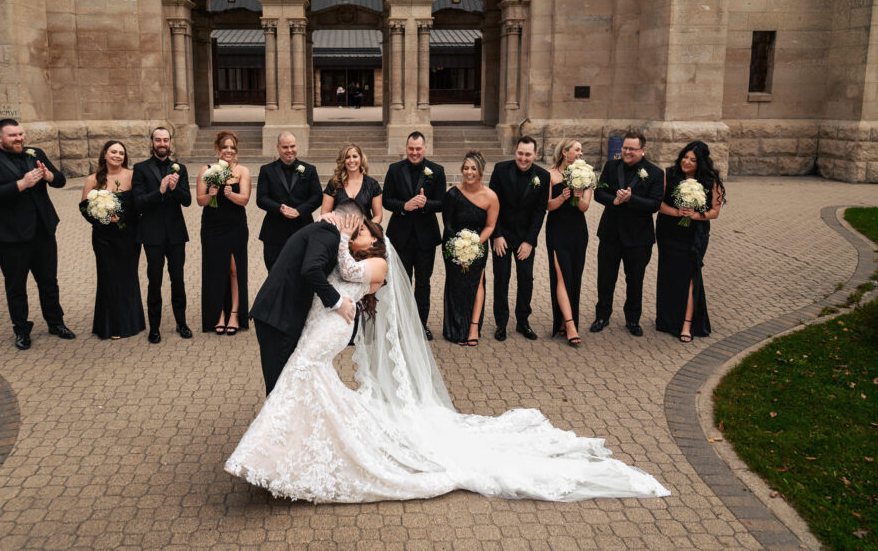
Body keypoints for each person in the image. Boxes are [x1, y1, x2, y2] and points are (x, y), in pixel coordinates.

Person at [225, 210, 671, 503]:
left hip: (334, 324)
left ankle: (278, 452)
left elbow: (346, 271)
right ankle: (297, 447)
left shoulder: (377, 266)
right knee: (309, 379)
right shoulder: (355, 248)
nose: (357, 236)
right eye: (357, 232)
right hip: (324, 321)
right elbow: (338, 267)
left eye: (364, 233)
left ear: (376, 243)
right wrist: (340, 229)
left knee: (305, 372)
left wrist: (339, 230)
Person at [0, 118, 74, 351]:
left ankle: (55, 323)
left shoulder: (34, 153)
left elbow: (60, 180)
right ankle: (21, 330)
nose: (19, 139)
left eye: (20, 134)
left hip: (43, 231)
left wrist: (49, 177)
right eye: (12, 136)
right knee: (16, 286)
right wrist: (22, 184)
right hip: (11, 237)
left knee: (49, 282)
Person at [248, 201, 361, 394]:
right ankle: (274, 424)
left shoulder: (322, 229)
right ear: (353, 220)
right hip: (278, 318)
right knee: (279, 388)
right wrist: (338, 303)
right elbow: (311, 269)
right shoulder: (327, 233)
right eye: (361, 225)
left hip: (278, 314)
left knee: (284, 383)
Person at [591, 130, 664, 337]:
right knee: (605, 278)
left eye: (632, 149)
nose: (627, 152)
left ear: (643, 150)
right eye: (625, 148)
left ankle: (633, 319)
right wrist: (613, 200)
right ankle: (602, 316)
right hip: (610, 234)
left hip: (639, 238)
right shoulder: (611, 166)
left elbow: (654, 204)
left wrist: (631, 199)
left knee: (635, 280)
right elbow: (599, 192)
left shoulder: (655, 173)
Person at [655, 141, 726, 342]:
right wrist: (677, 212)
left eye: (692, 160)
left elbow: (715, 212)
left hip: (695, 235)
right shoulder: (669, 174)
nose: (686, 162)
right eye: (685, 157)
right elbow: (658, 203)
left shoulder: (710, 180)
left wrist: (695, 215)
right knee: (669, 275)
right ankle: (667, 320)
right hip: (668, 232)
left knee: (691, 276)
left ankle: (687, 323)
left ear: (701, 162)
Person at [382, 131, 446, 340]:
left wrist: (426, 204)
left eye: (418, 149)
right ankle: (401, 324)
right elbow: (386, 200)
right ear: (406, 148)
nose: (414, 152)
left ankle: (421, 325)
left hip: (425, 238)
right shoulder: (394, 169)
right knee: (401, 282)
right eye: (411, 149)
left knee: (423, 282)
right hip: (400, 236)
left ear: (425, 149)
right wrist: (404, 206)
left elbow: (442, 203)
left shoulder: (437, 171)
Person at [79, 141, 145, 340]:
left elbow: (140, 205)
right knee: (108, 277)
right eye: (114, 152)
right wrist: (103, 218)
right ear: (105, 155)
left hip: (129, 235)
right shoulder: (93, 179)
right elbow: (84, 208)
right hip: (103, 237)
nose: (118, 156)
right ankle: (110, 325)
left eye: (121, 153)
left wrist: (122, 217)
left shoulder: (133, 176)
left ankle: (131, 322)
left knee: (127, 276)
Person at [132, 126, 192, 344]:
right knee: (154, 280)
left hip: (176, 234)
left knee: (178, 280)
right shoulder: (140, 169)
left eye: (165, 140)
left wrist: (174, 189)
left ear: (170, 143)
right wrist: (160, 192)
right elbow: (138, 202)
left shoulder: (180, 168)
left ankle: (181, 323)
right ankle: (154, 328)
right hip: (152, 234)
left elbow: (187, 200)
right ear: (152, 142)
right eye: (158, 140)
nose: (162, 144)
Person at [489, 136, 551, 342]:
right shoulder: (500, 169)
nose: (523, 158)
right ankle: (501, 323)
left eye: (528, 154)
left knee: (526, 279)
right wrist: (496, 235)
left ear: (535, 154)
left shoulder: (543, 175)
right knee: (502, 279)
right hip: (502, 237)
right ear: (515, 152)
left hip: (525, 238)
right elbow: (492, 205)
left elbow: (540, 211)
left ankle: (523, 321)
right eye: (520, 153)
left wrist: (530, 241)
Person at [197, 130, 251, 335]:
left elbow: (245, 199)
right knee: (215, 269)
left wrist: (230, 194)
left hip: (236, 225)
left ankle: (235, 313)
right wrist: (210, 194)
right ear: (217, 149)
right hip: (212, 225)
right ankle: (218, 313)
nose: (228, 151)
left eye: (232, 147)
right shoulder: (207, 169)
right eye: (225, 147)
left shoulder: (242, 171)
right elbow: (200, 201)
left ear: (236, 150)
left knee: (234, 269)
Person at [441, 151, 498, 346]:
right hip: (453, 246)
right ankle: (455, 328)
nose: (469, 172)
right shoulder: (452, 194)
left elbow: (490, 226)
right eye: (466, 168)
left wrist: (473, 246)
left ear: (480, 171)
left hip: (478, 246)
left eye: (473, 168)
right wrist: (458, 248)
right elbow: (447, 225)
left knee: (477, 284)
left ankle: (473, 327)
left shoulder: (491, 197)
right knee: (456, 286)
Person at [546, 139, 593, 347]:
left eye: (581, 150)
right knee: (562, 276)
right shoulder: (551, 174)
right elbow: (547, 205)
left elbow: (584, 207)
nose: (580, 153)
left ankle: (566, 321)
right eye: (577, 150)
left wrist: (579, 195)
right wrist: (563, 197)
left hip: (578, 232)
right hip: (557, 230)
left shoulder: (587, 175)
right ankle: (570, 324)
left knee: (574, 276)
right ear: (565, 152)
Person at [256, 132, 323, 272]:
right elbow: (261, 198)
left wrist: (299, 210)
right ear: (278, 147)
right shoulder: (266, 170)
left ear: (297, 146)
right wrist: (279, 208)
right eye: (285, 147)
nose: (289, 150)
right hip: (274, 232)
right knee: (275, 273)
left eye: (292, 146)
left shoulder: (309, 170)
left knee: (302, 273)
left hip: (302, 229)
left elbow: (317, 196)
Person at [321, 143, 383, 222]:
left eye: (355, 156)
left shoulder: (372, 184)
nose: (351, 160)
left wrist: (366, 229)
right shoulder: (334, 183)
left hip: (365, 230)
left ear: (361, 159)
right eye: (347, 157)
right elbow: (325, 213)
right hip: (338, 230)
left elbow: (378, 216)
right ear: (343, 161)